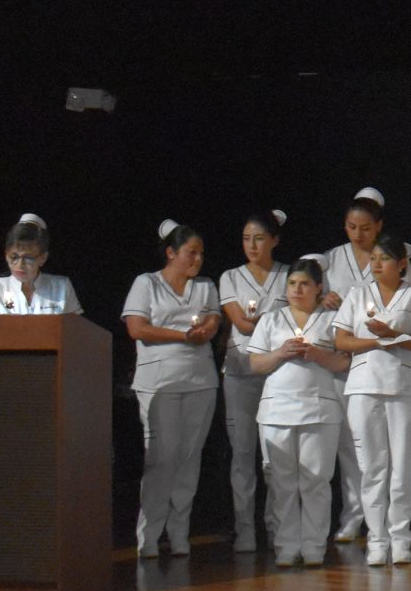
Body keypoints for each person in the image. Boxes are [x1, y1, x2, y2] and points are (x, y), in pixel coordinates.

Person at [120, 220, 223, 557]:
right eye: (191, 253)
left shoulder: (205, 286)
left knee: (189, 457)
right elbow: (137, 328)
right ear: (171, 253)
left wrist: (207, 329)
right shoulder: (146, 283)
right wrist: (182, 336)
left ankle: (179, 532)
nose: (198, 259)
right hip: (159, 381)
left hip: (200, 380)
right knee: (162, 456)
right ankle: (149, 535)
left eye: (201, 254)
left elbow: (213, 320)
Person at [331, 231, 411, 566]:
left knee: (401, 467)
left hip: (404, 387)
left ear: (401, 263)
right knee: (371, 467)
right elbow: (341, 340)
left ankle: (400, 538)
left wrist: (394, 335)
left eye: (384, 259)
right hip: (364, 385)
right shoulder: (358, 294)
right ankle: (376, 538)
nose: (376, 264)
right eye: (373, 259)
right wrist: (376, 342)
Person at [249, 257, 349, 568]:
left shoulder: (332, 319)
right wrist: (280, 352)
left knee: (315, 480)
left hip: (320, 410)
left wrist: (317, 354)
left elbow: (343, 362)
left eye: (304, 284)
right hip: (277, 410)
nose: (297, 289)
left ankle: (314, 547)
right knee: (282, 482)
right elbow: (256, 364)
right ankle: (286, 546)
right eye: (292, 283)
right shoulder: (271, 319)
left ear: (319, 288)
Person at [216, 210, 288, 555]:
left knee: (275, 456)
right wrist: (272, 322)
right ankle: (245, 528)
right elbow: (242, 324)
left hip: (278, 375)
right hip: (240, 372)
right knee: (242, 454)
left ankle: (276, 528)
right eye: (246, 239)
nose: (252, 245)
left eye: (259, 238)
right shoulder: (230, 277)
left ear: (274, 240)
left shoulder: (288, 276)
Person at [319, 189, 388, 548]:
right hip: (341, 361)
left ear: (378, 227)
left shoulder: (390, 258)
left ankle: (381, 516)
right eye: (351, 227)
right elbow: (307, 296)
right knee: (348, 445)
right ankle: (353, 514)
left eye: (365, 228)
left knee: (377, 444)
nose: (358, 234)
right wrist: (323, 297)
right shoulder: (331, 260)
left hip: (378, 360)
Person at [0, 214, 84, 314]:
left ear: (43, 258)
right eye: (14, 257)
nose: (20, 265)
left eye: (29, 258)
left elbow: (75, 326)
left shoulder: (62, 287)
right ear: (6, 255)